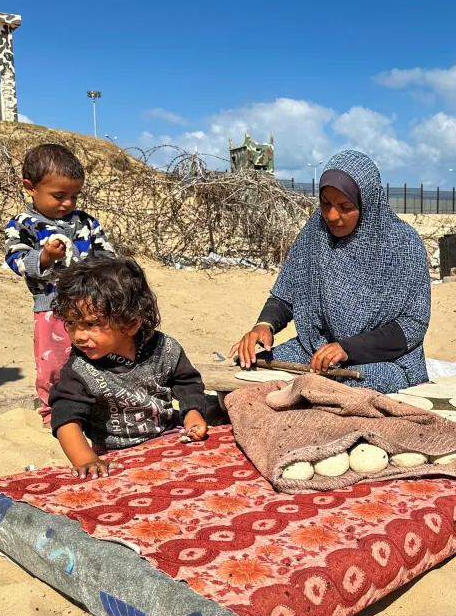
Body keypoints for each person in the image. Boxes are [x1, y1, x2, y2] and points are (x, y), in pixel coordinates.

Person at [230, 150, 431, 394]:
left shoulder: (403, 244)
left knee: (347, 390)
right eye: (326, 204)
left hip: (383, 361)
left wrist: (348, 348)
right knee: (249, 370)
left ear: (367, 202)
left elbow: (412, 324)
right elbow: (286, 294)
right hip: (318, 351)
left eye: (345, 207)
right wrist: (264, 325)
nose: (333, 216)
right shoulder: (315, 234)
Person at [48, 257, 209, 478]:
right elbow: (66, 416)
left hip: (170, 439)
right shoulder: (80, 369)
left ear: (132, 322)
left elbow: (187, 382)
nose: (78, 336)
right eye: (71, 324)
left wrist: (193, 412)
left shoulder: (165, 349)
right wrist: (86, 460)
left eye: (91, 324)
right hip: (116, 457)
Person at [3, 144, 115, 427]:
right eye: (58, 196)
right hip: (51, 308)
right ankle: (53, 410)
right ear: (30, 187)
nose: (67, 203)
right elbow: (14, 259)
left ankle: (97, 403)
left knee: (94, 354)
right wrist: (43, 257)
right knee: (53, 363)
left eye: (74, 196)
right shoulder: (23, 224)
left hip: (92, 306)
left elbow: (107, 255)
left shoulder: (86, 223)